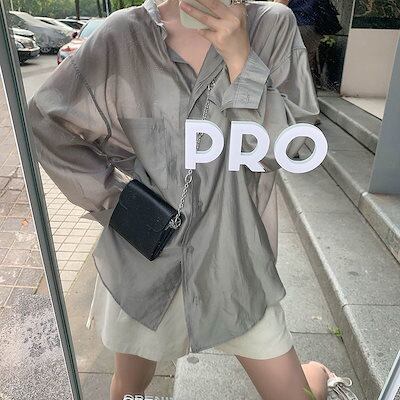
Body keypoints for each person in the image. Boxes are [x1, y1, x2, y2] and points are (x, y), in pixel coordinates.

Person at [27, 0, 358, 399]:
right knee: (129, 387)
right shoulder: (123, 34)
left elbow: (290, 148)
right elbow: (46, 121)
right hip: (146, 256)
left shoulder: (271, 25)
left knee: (294, 395)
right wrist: (119, 203)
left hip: (233, 257)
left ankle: (318, 373)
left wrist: (242, 61)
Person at [275, 0, 323, 87]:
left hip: (298, 25)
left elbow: (278, 6)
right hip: (315, 27)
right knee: (306, 64)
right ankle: (308, 92)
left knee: (291, 64)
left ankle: (296, 92)